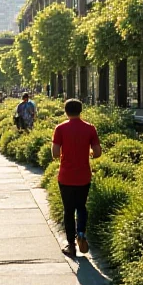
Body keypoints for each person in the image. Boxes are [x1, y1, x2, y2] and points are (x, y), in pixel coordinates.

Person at [51, 99, 102, 258]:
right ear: (81, 110)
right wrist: (89, 154)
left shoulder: (60, 129)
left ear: (66, 111)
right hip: (84, 175)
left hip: (66, 176)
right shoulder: (90, 128)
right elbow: (97, 152)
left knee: (68, 210)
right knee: (81, 207)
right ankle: (81, 233)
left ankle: (71, 245)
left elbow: (55, 153)